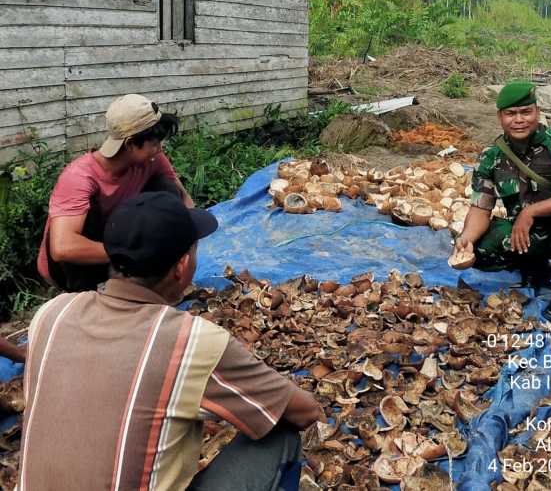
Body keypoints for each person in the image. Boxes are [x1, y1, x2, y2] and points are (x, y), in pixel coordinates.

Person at [20, 192, 323, 491]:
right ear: (181, 267)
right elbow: (303, 413)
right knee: (281, 437)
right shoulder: (189, 340)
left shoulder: (52, 313)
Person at [453, 81, 551, 322]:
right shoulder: (490, 156)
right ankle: (538, 268)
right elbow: (481, 207)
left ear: (537, 113)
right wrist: (466, 239)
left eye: (526, 112)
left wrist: (530, 211)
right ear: (500, 117)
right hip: (525, 234)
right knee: (479, 249)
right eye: (511, 114)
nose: (519, 120)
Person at [37, 94, 193, 293]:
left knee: (168, 190)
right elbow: (62, 248)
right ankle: (91, 293)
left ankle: (149, 278)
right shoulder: (79, 178)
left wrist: (185, 246)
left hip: (116, 244)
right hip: (71, 267)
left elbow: (184, 200)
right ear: (130, 144)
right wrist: (135, 253)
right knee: (88, 215)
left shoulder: (152, 159)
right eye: (154, 143)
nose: (159, 149)